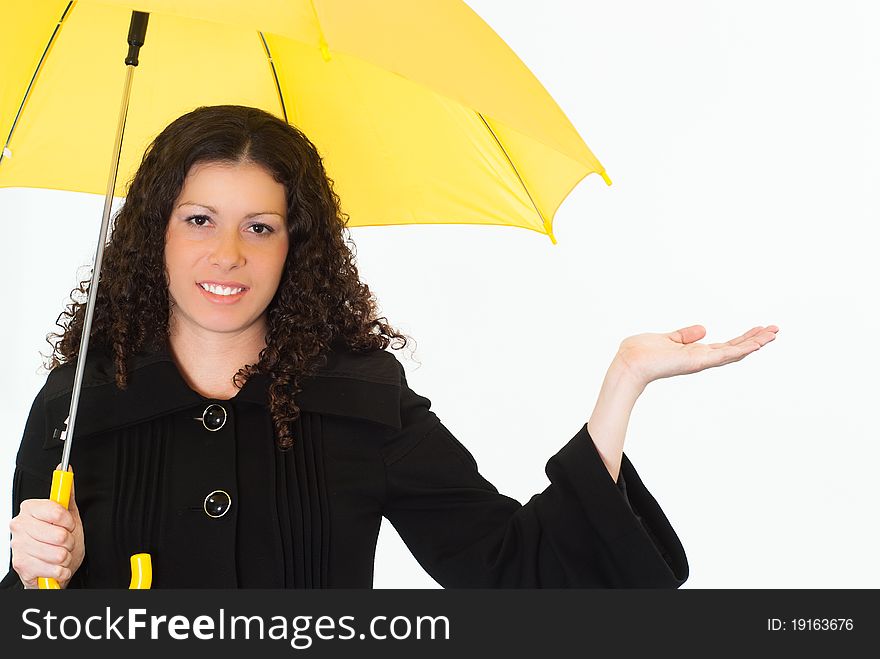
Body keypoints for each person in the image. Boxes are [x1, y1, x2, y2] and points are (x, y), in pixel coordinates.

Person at [1, 105, 777, 589]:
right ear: (155, 234)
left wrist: (623, 383)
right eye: (199, 219)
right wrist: (40, 577)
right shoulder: (78, 405)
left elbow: (515, 571)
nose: (227, 254)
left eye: (260, 226)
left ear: (295, 248)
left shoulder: (360, 402)